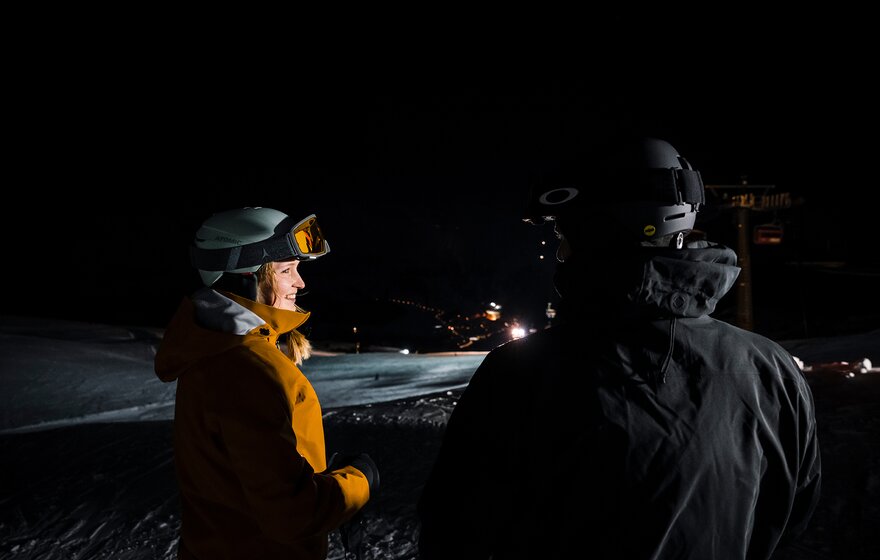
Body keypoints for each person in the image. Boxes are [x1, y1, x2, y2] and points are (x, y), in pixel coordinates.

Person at [416, 137, 821, 559]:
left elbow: (454, 530)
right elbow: (788, 516)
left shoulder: (523, 373)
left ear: (599, 231)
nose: (560, 249)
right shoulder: (770, 368)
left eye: (564, 230)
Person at [155, 207, 379, 560]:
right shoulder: (247, 369)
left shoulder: (218, 351)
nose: (300, 283)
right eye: (286, 270)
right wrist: (360, 480)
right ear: (247, 278)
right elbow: (291, 514)